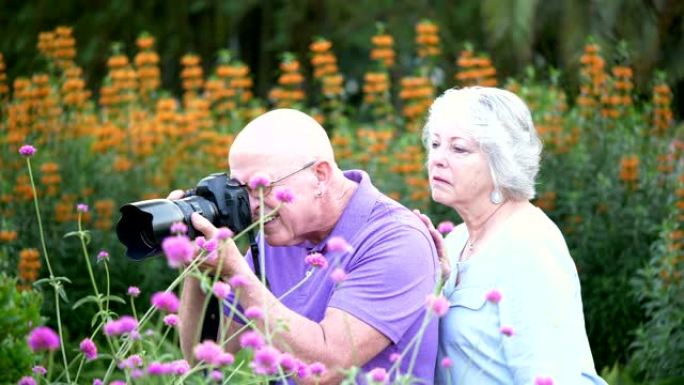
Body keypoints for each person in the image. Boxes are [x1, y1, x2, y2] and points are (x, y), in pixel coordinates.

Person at [176, 108, 439, 384]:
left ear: (320, 175)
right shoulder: (276, 233)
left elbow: (322, 372)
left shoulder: (397, 239)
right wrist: (196, 266)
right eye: (241, 190)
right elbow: (204, 360)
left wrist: (236, 273)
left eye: (262, 186)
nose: (252, 205)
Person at [417, 87, 607, 384]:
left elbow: (547, 378)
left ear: (500, 161)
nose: (438, 159)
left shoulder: (529, 245)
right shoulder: (453, 242)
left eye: (459, 148)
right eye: (436, 144)